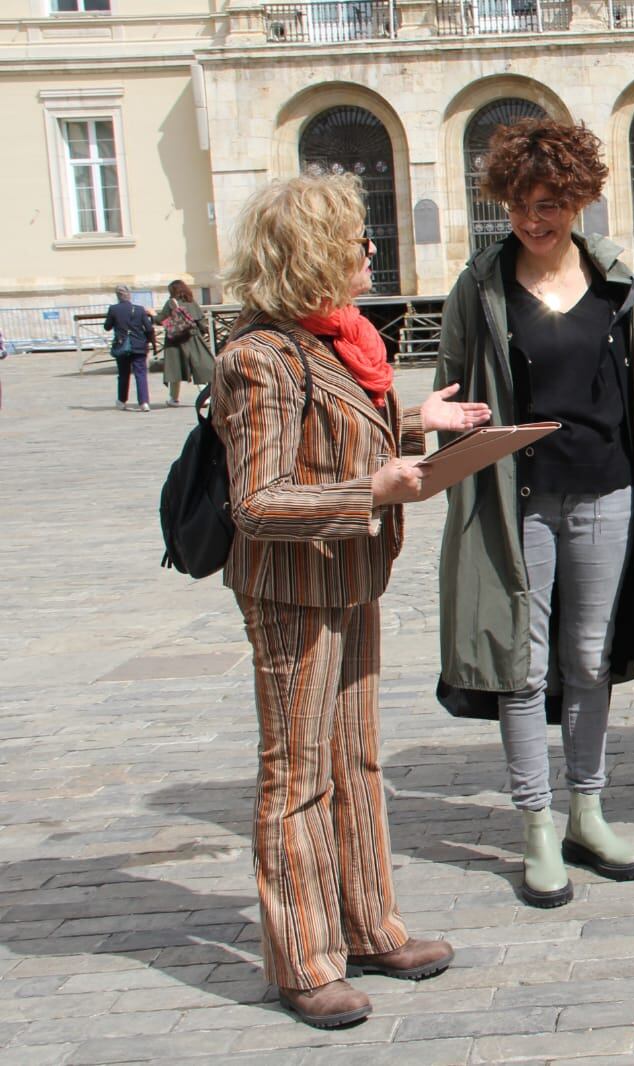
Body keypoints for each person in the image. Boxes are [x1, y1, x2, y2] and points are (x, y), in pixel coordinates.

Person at [211, 173, 486, 1026]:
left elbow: (338, 439)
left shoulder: (337, 341)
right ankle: (303, 958)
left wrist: (416, 425)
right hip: (291, 592)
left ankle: (367, 924)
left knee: (356, 763)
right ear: (309, 256)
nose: (371, 250)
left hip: (351, 577)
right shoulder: (259, 356)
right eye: (355, 240)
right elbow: (257, 500)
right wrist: (375, 488)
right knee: (294, 776)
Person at [435, 119, 634, 908]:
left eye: (551, 204)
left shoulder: (612, 277)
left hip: (608, 489)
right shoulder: (482, 283)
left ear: (579, 199)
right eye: (521, 204)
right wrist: (444, 427)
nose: (534, 220)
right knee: (522, 664)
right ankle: (535, 824)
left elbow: (633, 388)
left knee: (592, 659)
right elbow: (447, 392)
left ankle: (588, 811)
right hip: (517, 499)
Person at [157, 279, 215, 407]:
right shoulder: (192, 302)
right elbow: (201, 322)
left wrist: (151, 314)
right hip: (193, 337)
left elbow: (160, 319)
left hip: (176, 340)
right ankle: (205, 397)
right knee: (198, 367)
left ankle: (174, 398)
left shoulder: (171, 303)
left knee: (175, 369)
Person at [103, 283, 154, 411]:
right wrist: (147, 342)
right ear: (129, 295)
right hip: (139, 345)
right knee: (141, 374)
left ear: (117, 296)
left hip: (122, 344)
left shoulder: (113, 309)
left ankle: (122, 400)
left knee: (123, 374)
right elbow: (148, 328)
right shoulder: (140, 309)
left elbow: (107, 326)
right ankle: (144, 402)